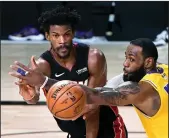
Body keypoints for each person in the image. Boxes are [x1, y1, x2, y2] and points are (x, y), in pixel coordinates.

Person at [9, 38, 168, 138]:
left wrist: (43, 81)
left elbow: (93, 94)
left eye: (131, 59)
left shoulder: (140, 92)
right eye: (126, 57)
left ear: (148, 62)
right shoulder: (164, 69)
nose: (125, 63)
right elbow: (118, 82)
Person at [10, 6, 128, 138]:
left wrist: (44, 82)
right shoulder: (41, 66)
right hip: (75, 132)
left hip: (108, 129)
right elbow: (33, 99)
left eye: (66, 34)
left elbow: (93, 107)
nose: (62, 41)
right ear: (47, 36)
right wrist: (29, 95)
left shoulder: (93, 58)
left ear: (73, 34)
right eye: (56, 35)